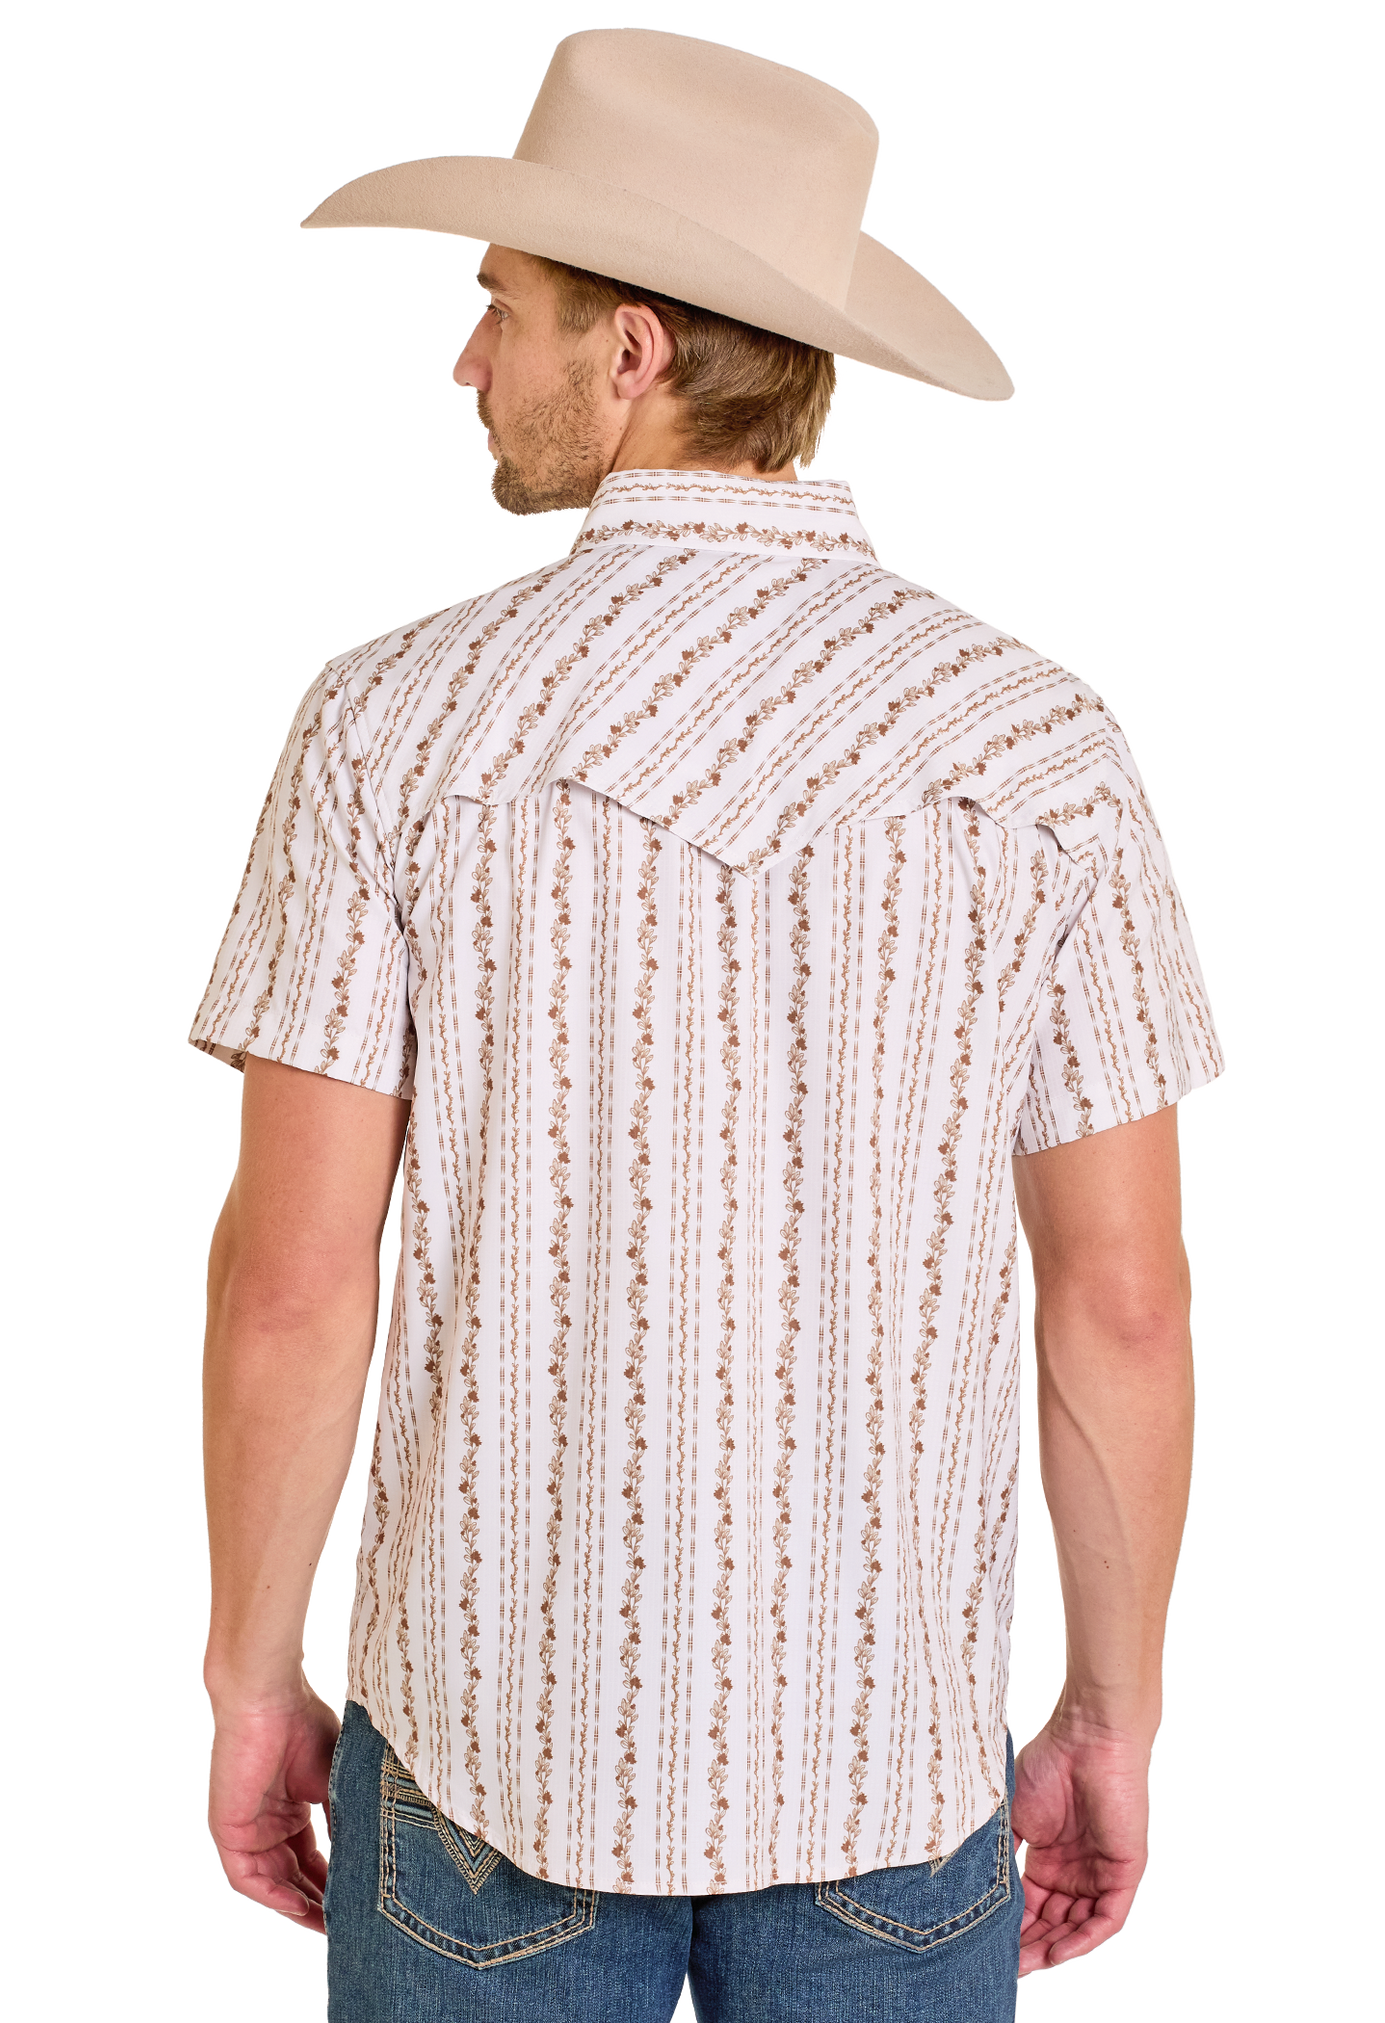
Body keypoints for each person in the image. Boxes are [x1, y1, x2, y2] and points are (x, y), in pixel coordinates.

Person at [190, 27, 1225, 2023]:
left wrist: (251, 1676)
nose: (464, 363)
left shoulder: (389, 721)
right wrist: (1112, 1713)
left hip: (483, 1768)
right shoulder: (1038, 739)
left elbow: (297, 1279)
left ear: (635, 344)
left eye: (497, 310)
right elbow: (1124, 1302)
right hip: (887, 1778)